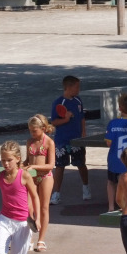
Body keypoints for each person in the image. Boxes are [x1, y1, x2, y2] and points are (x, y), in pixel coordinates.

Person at [50, 75, 90, 205]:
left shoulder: (78, 100)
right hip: (62, 140)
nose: (78, 89)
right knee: (60, 166)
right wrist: (66, 119)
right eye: (77, 87)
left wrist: (83, 131)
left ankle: (86, 188)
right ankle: (56, 194)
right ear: (68, 87)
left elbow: (82, 118)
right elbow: (54, 122)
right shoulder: (58, 102)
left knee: (81, 164)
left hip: (77, 140)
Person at [25, 114, 55, 252]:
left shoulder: (49, 142)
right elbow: (27, 160)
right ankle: (28, 238)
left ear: (43, 128)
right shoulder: (29, 142)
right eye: (31, 130)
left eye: (34, 130)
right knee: (28, 208)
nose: (32, 133)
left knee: (43, 208)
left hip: (45, 178)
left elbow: (50, 165)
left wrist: (35, 167)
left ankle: (41, 239)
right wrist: (20, 165)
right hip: (31, 178)